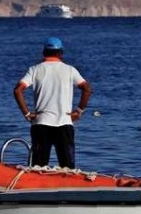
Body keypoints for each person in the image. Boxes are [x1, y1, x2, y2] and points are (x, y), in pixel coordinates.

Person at [13, 36, 92, 169]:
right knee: (68, 168)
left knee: (37, 167)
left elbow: (17, 90)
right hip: (64, 123)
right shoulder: (70, 70)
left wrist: (27, 114)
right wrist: (78, 111)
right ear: (61, 53)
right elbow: (87, 89)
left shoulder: (35, 70)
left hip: (41, 123)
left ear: (44, 52)